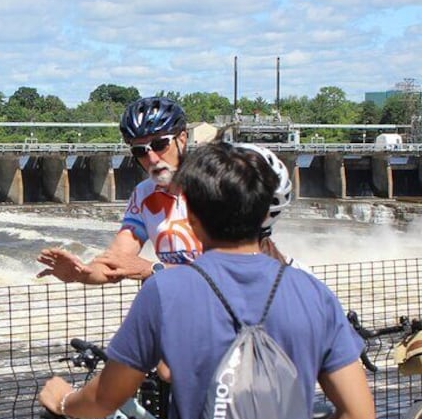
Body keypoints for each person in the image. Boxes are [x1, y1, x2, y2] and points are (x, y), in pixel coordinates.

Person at [38, 143, 375, 419]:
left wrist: (65, 400)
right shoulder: (313, 293)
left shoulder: (167, 292)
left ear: (192, 218)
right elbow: (359, 417)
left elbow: (106, 398)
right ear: (265, 211)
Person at [37, 96, 298, 284]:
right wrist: (82, 273)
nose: (151, 158)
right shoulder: (143, 194)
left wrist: (154, 269)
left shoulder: (217, 185)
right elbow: (119, 259)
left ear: (182, 138)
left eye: (160, 144)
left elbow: (238, 268)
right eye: (139, 150)